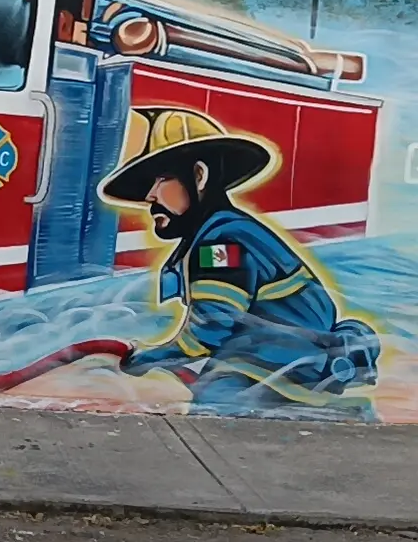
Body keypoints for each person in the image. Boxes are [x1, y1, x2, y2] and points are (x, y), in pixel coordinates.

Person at [99, 107, 380, 418]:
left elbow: (213, 324)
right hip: (277, 356)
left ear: (199, 176)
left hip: (279, 362)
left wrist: (152, 357)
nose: (150, 196)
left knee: (215, 406)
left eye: (162, 179)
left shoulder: (221, 241)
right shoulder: (225, 231)